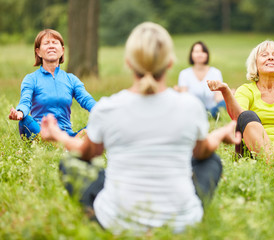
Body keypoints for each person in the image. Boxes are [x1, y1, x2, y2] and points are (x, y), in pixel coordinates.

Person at [40, 22, 241, 235]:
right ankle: (183, 208)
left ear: (128, 63)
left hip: (117, 221)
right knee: (211, 161)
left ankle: (98, 213)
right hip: (180, 223)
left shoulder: (108, 107)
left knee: (71, 162)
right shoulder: (190, 106)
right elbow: (202, 152)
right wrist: (221, 133)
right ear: (170, 62)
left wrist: (58, 135)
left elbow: (86, 152)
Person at [8, 29, 96, 140]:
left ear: (62, 50)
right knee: (25, 121)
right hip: (42, 133)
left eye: (55, 43)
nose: (51, 46)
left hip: (67, 135)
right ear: (38, 52)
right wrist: (20, 112)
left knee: (99, 124)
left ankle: (65, 145)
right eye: (46, 43)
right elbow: (25, 102)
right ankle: (68, 147)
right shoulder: (31, 79)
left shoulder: (71, 79)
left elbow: (87, 100)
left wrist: (104, 110)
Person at [177, 41, 226, 118]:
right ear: (191, 55)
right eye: (196, 52)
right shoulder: (184, 74)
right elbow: (184, 97)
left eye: (203, 51)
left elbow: (218, 97)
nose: (200, 54)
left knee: (223, 105)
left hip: (212, 110)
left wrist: (227, 95)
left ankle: (204, 116)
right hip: (192, 110)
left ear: (207, 54)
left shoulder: (215, 72)